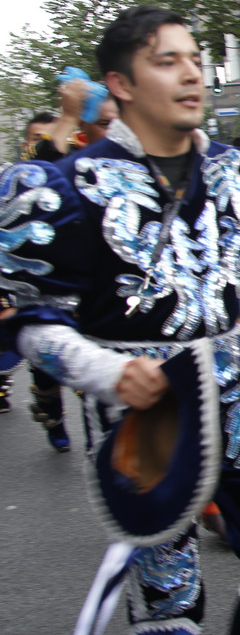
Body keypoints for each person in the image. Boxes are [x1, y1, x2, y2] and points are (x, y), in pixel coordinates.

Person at [0, 5, 240, 635]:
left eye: (196, 58)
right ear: (120, 84)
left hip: (234, 384)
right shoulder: (67, 186)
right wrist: (108, 373)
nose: (192, 73)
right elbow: (30, 323)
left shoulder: (238, 172)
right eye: (167, 61)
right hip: (139, 408)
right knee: (169, 586)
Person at [21, 83, 120, 451]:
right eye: (104, 122)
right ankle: (51, 408)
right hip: (55, 273)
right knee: (50, 359)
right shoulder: (51, 165)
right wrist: (66, 117)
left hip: (107, 281)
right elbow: (41, 168)